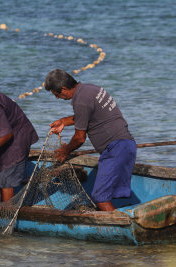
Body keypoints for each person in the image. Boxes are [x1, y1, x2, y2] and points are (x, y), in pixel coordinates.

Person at [44, 69, 137, 211]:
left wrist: (65, 150)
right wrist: (64, 121)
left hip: (115, 149)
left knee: (100, 197)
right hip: (126, 145)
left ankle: (117, 230)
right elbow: (87, 115)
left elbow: (80, 138)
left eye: (56, 94)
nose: (57, 98)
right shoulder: (91, 89)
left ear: (63, 89)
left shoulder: (80, 101)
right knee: (103, 195)